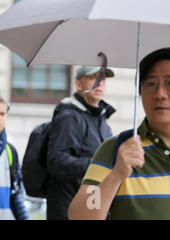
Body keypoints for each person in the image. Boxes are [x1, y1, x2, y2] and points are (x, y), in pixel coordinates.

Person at [69, 48, 170, 220]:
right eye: (150, 84)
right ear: (140, 92)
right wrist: (116, 175)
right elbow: (80, 216)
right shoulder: (117, 149)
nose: (160, 94)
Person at [46, 65, 116, 220]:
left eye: (102, 78)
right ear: (78, 85)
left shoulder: (101, 118)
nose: (100, 83)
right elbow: (57, 162)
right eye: (93, 78)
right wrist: (97, 166)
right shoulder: (69, 117)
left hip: (91, 205)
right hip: (68, 208)